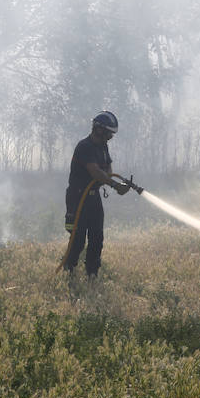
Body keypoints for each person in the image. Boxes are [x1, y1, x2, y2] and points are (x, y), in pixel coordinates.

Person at [64, 110, 131, 277]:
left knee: (97, 238)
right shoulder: (84, 147)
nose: (110, 138)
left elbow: (107, 168)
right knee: (78, 240)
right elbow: (94, 171)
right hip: (78, 198)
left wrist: (111, 179)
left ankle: (92, 273)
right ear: (99, 129)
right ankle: (68, 270)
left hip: (93, 197)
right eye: (109, 134)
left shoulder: (102, 146)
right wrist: (115, 185)